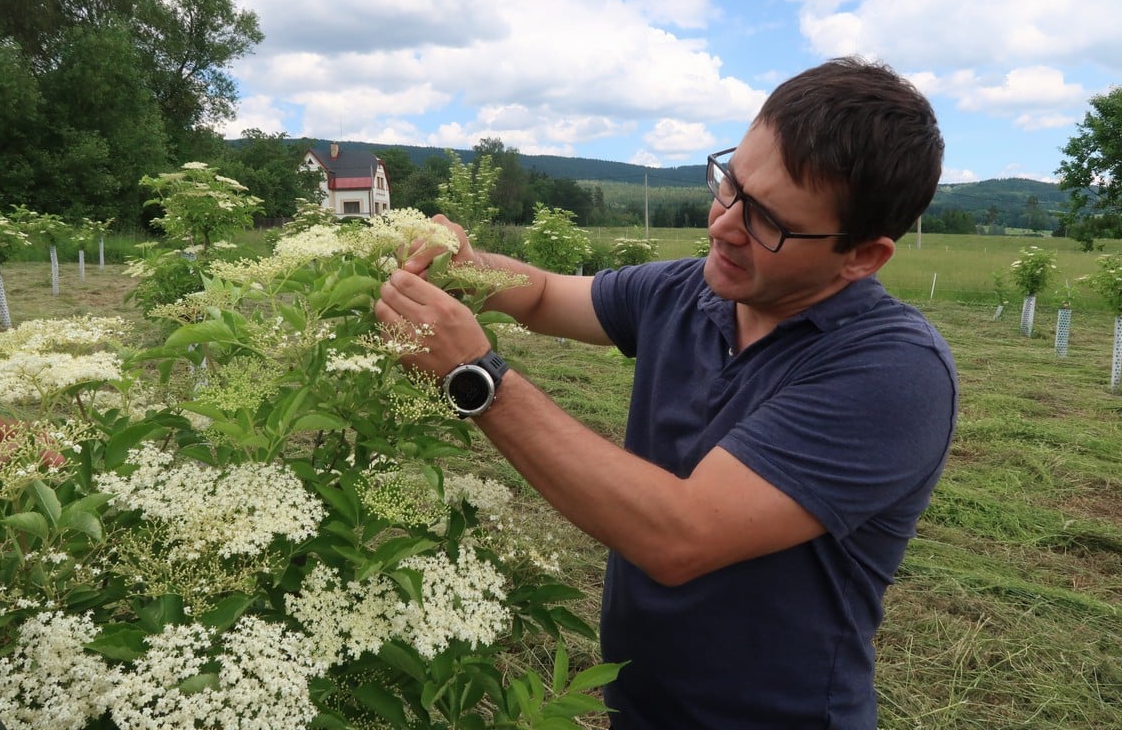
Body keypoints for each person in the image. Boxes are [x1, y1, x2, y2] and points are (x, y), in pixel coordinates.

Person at [375, 56, 958, 729]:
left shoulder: (891, 371)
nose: (722, 225)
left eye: (767, 221)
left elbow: (681, 535)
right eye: (730, 184)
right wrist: (471, 268)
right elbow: (542, 294)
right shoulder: (689, 290)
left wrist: (473, 378)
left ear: (861, 256)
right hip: (641, 707)